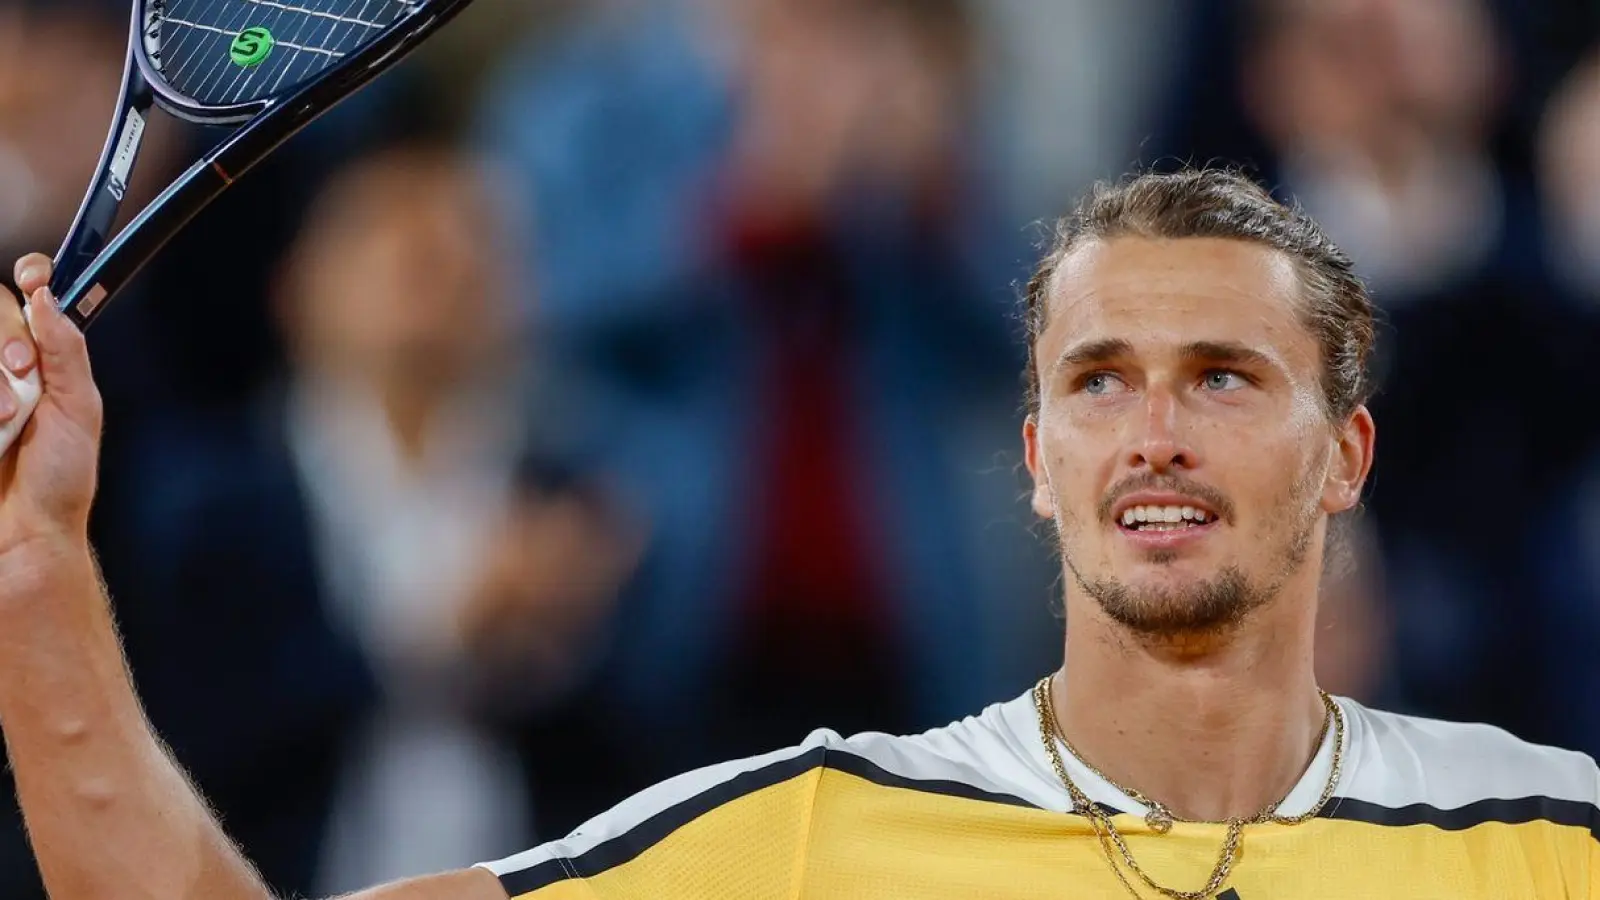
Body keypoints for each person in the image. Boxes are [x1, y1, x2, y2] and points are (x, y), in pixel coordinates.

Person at [0, 167, 1596, 898]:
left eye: (1226, 378)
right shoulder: (806, 840)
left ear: (1347, 458)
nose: (1157, 431)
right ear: (1038, 460)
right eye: (1100, 382)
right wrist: (34, 564)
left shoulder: (1548, 844)